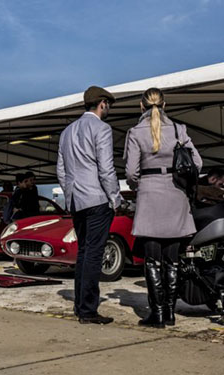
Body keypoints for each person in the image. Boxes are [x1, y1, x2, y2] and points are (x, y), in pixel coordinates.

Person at [124, 87, 202, 328]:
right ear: (165, 105)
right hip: (175, 195)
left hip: (149, 195)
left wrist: (140, 183)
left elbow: (130, 172)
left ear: (141, 106)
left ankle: (156, 313)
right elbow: (197, 163)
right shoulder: (180, 130)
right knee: (173, 259)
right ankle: (169, 312)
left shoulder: (136, 132)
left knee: (152, 260)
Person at [57, 86, 121, 325]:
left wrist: (70, 194)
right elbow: (106, 168)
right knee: (94, 253)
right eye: (109, 105)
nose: (109, 109)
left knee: (83, 252)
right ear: (102, 103)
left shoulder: (67, 131)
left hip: (76, 200)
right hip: (97, 199)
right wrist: (115, 197)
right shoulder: (102, 129)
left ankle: (80, 305)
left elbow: (61, 170)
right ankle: (88, 310)